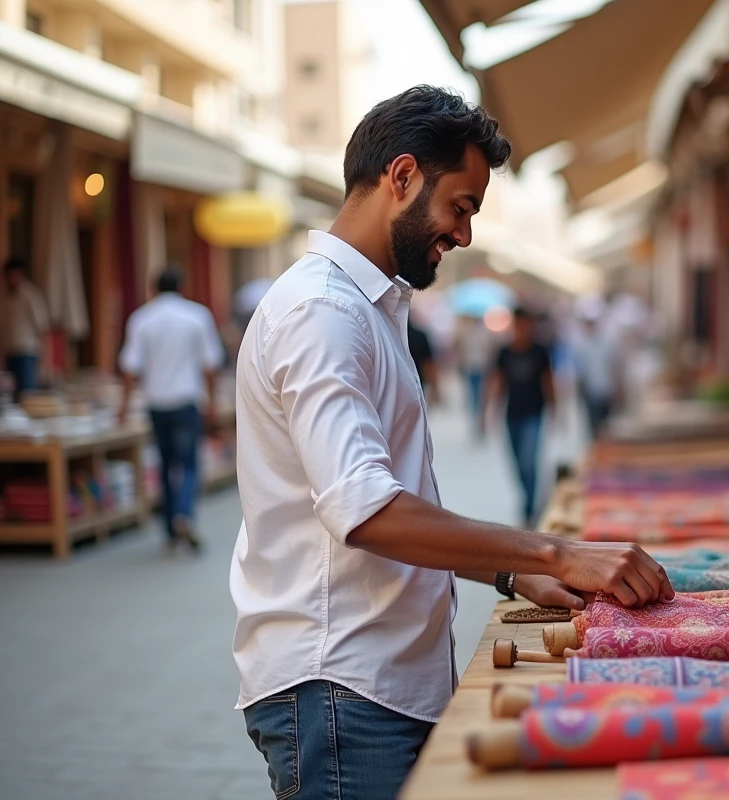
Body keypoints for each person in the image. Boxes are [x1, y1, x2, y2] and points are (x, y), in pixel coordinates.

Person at [229, 86, 673, 800]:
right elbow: (366, 511)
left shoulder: (369, 307)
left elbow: (385, 501)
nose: (464, 235)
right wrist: (553, 551)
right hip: (341, 687)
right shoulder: (323, 311)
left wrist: (507, 573)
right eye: (460, 208)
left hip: (368, 684)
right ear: (401, 177)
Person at [118, 269, 224, 552]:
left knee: (165, 465)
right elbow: (210, 363)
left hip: (156, 402)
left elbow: (130, 367)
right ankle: (183, 514)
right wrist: (212, 400)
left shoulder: (141, 318)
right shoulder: (197, 315)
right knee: (189, 464)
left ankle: (169, 529)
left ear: (153, 289)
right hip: (187, 400)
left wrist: (124, 406)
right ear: (182, 286)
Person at [486, 307, 555, 527]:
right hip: (512, 414)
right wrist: (489, 411)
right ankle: (528, 497)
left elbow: (548, 381)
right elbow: (497, 382)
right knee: (517, 462)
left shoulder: (540, 351)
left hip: (534, 414)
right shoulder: (505, 352)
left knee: (529, 461)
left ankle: (529, 506)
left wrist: (555, 408)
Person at [3, 257, 49, 396]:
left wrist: (45, 358)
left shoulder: (31, 295)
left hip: (27, 351)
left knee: (27, 392)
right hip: (9, 350)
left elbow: (42, 326)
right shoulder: (4, 296)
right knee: (11, 394)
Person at [573, 313, 620, 439]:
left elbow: (613, 366)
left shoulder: (607, 343)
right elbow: (580, 373)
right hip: (591, 393)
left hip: (606, 391)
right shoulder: (580, 345)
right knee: (594, 429)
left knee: (608, 427)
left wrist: (618, 388)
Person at [456, 315, 493, 420]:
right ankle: (477, 411)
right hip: (475, 366)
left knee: (476, 390)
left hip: (478, 366)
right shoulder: (471, 332)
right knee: (476, 390)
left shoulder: (471, 332)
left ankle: (477, 411)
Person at [407, 317, 441, 405]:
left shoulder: (388, 337)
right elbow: (428, 364)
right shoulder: (420, 336)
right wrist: (434, 387)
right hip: (417, 385)